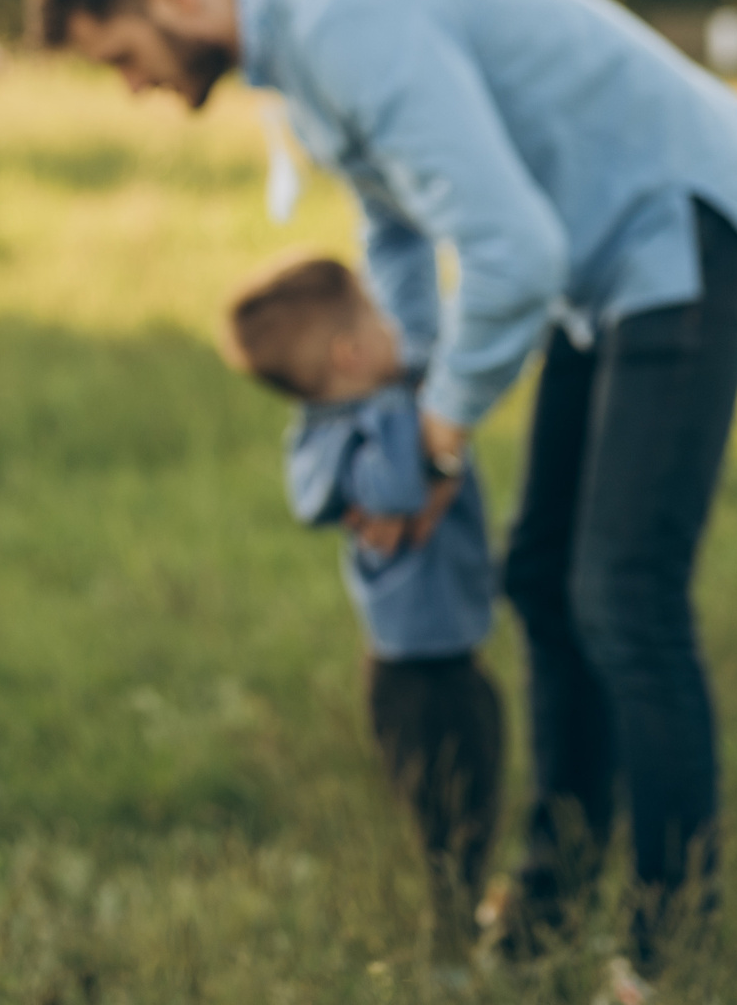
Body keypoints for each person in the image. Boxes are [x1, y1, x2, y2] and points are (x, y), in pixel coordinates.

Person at [29, 0, 737, 982]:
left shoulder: (343, 17)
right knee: (542, 580)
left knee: (624, 596)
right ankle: (547, 908)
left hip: (682, 222)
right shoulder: (295, 47)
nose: (133, 86)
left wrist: (440, 440)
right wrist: (406, 418)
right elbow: (395, 241)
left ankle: (669, 952)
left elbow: (513, 253)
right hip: (603, 265)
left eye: (122, 57)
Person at [226, 253, 502, 975]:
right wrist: (399, 409)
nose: (396, 329)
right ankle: (450, 953)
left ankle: (465, 924)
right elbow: (393, 489)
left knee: (477, 795)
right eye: (378, 318)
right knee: (447, 813)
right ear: (350, 355)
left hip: (449, 650)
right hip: (412, 671)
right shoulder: (337, 434)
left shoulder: (385, 396)